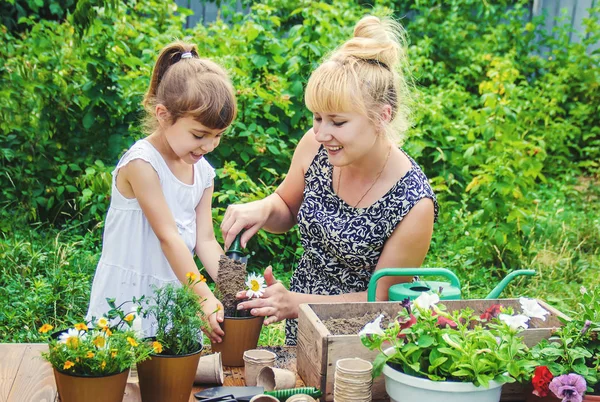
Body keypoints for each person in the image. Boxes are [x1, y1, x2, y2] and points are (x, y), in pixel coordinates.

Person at [220, 16, 438, 345]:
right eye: (317, 117)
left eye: (337, 122)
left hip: (363, 342)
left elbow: (383, 300)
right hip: (301, 328)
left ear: (382, 116)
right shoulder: (316, 146)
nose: (322, 133)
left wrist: (297, 302)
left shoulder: (414, 203)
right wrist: (264, 210)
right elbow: (286, 207)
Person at [87, 41, 236, 343]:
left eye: (218, 136)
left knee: (172, 375)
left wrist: (236, 288)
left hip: (173, 293)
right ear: (163, 114)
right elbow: (168, 236)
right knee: (124, 374)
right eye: (199, 135)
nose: (208, 146)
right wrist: (204, 295)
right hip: (128, 296)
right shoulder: (142, 164)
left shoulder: (203, 173)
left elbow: (205, 240)